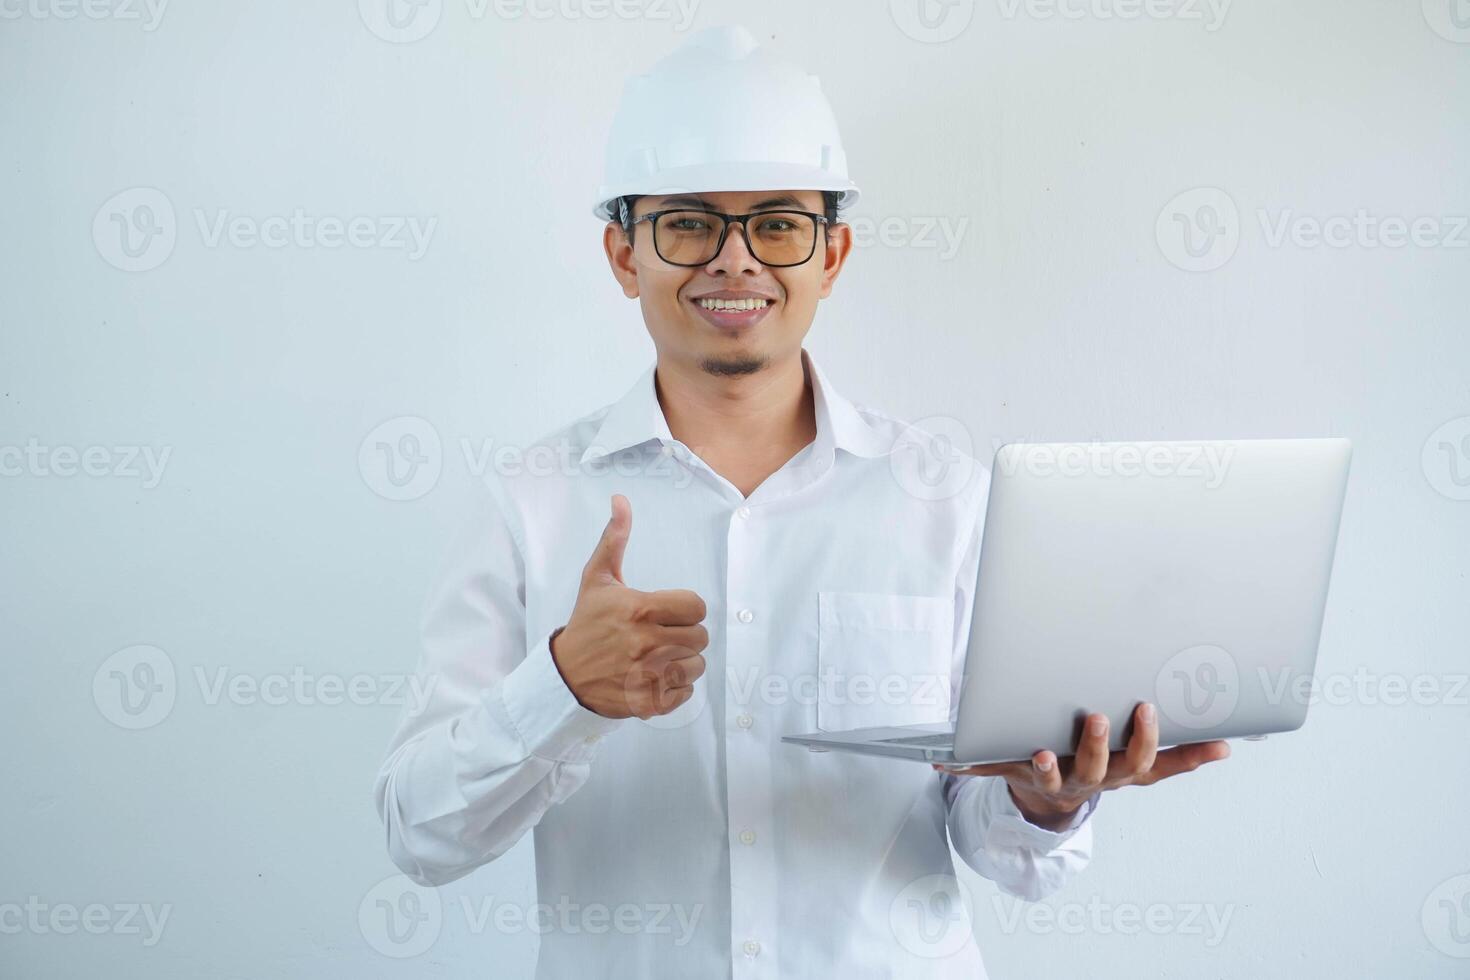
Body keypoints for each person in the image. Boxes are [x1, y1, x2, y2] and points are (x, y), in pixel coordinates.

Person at [373, 25, 1229, 978]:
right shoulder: (530, 503)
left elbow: (1005, 852)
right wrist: (562, 687)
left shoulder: (944, 499)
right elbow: (420, 835)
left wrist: (1051, 798)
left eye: (777, 222)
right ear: (624, 256)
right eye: (688, 222)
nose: (735, 262)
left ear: (831, 254)